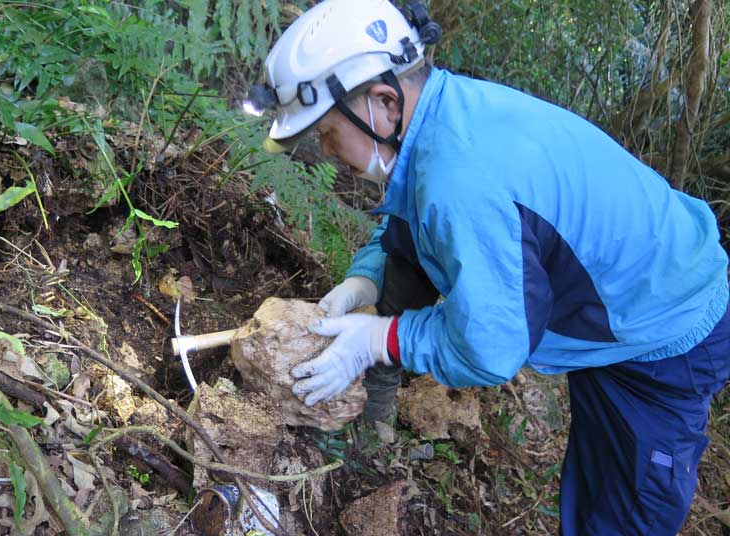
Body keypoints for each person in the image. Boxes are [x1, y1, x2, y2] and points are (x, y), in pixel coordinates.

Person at [245, 0, 730, 533]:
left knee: (622, 512)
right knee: (594, 490)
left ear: (383, 102)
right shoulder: (446, 117)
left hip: (666, 328)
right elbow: (417, 218)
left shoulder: (461, 177)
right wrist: (369, 276)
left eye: (326, 131)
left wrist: (378, 340)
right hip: (621, 296)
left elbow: (492, 347)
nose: (325, 148)